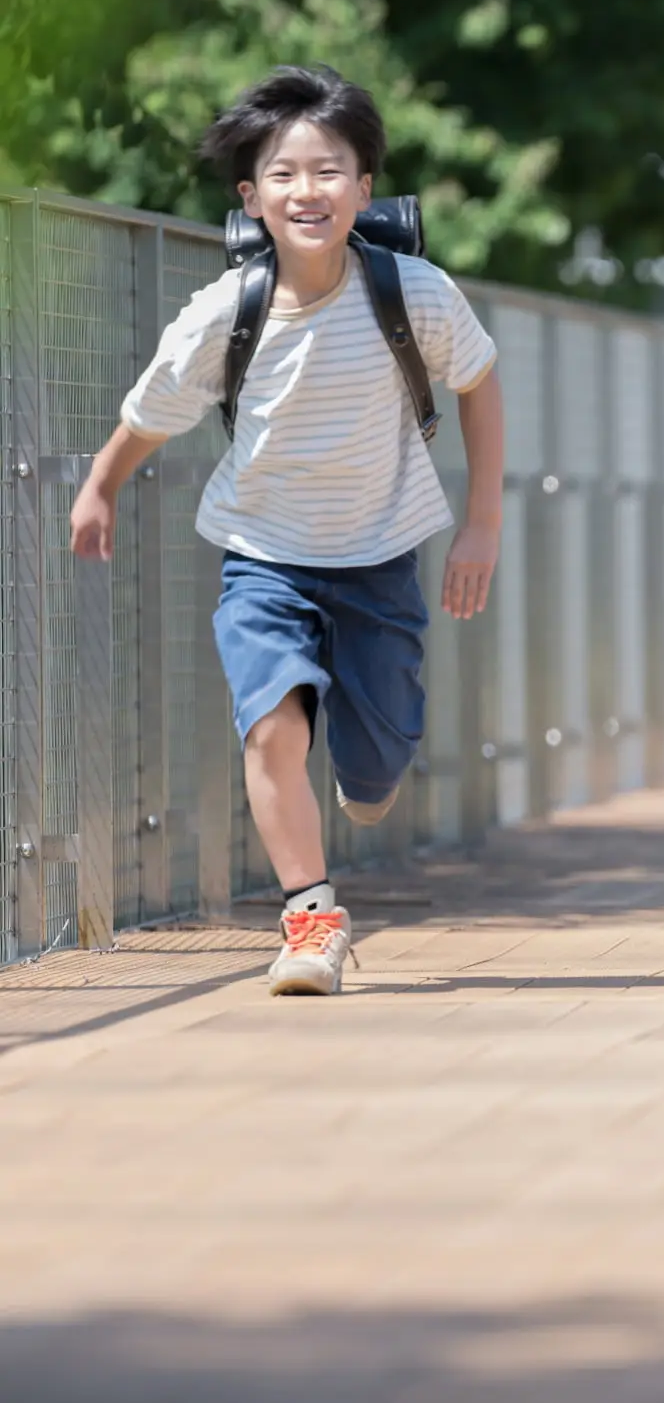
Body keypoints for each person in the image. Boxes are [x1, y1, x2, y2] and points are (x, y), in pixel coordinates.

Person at [69, 65, 505, 996]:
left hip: (382, 553)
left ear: (366, 190)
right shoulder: (230, 311)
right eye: (283, 174)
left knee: (377, 766)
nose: (307, 191)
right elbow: (153, 409)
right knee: (271, 729)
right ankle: (312, 921)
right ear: (251, 197)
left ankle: (368, 773)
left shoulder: (412, 291)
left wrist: (482, 523)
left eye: (329, 171)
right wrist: (100, 486)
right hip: (264, 556)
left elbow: (477, 383)